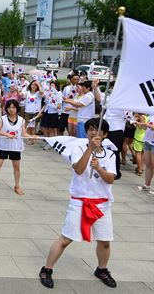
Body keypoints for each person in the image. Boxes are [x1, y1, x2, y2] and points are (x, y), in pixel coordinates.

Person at [39, 118, 117, 289]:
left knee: (104, 241)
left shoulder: (110, 154)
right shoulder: (78, 148)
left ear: (105, 135)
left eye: (97, 130)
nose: (93, 133)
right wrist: (90, 149)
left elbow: (110, 179)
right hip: (80, 201)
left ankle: (102, 269)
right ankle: (47, 269)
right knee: (66, 239)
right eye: (90, 129)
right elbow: (79, 169)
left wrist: (99, 168)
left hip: (102, 204)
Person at [0, 100, 36, 195]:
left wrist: (32, 136)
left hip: (15, 147)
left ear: (17, 108)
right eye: (9, 107)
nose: (11, 109)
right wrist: (7, 134)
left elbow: (24, 133)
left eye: (13, 107)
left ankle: (17, 186)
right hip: (3, 146)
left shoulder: (21, 120)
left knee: (16, 167)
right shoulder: (2, 119)